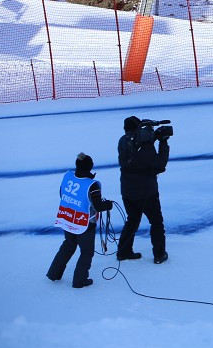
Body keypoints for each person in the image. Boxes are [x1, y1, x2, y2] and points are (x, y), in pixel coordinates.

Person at [47, 153, 114, 288]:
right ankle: (79, 280)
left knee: (68, 245)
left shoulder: (67, 177)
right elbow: (99, 206)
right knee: (86, 252)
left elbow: (62, 194)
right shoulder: (92, 185)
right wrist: (109, 205)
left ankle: (54, 273)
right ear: (90, 167)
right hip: (84, 224)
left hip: (67, 219)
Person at [117, 116, 170, 264]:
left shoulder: (122, 141)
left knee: (132, 220)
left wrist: (151, 136)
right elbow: (160, 164)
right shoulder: (144, 146)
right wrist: (163, 142)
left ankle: (124, 251)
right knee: (156, 222)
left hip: (127, 190)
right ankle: (159, 254)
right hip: (147, 191)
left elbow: (135, 143)